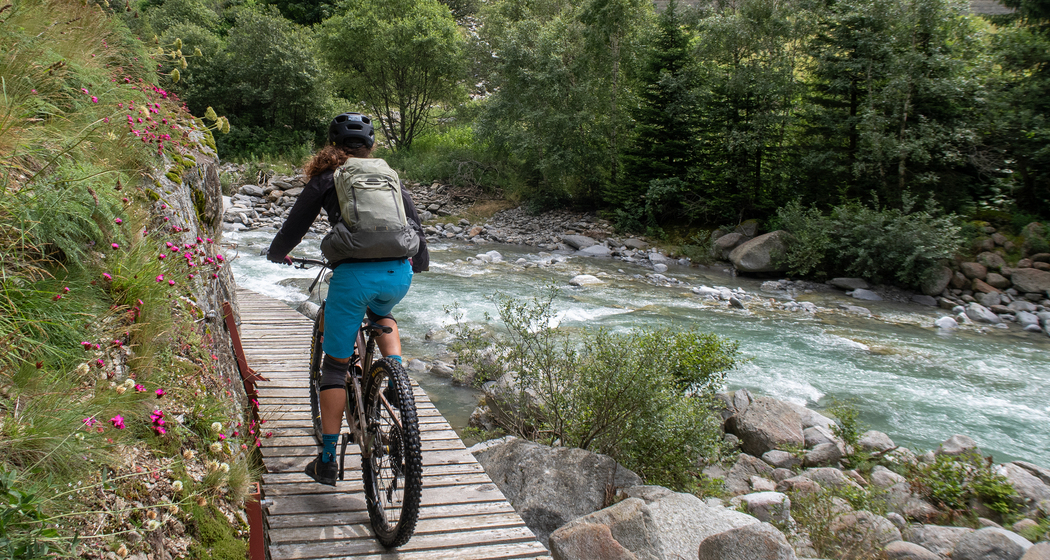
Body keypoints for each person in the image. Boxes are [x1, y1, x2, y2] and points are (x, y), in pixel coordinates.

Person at [266, 112, 429, 486]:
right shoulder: (387, 177)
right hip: (398, 273)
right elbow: (414, 225)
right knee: (382, 312)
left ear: (334, 144)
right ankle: (396, 377)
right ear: (371, 146)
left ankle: (326, 460)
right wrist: (419, 263)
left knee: (336, 368)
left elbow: (295, 225)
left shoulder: (327, 178)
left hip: (353, 277)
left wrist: (277, 253)